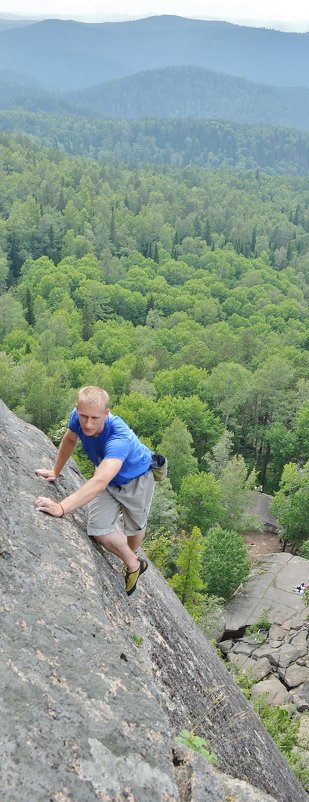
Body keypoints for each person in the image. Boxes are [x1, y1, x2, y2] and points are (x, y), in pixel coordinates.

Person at [34, 386, 155, 596]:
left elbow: (99, 481)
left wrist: (62, 507)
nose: (88, 424)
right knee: (98, 531)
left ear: (106, 414)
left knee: (134, 529)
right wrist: (55, 471)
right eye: (83, 416)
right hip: (108, 479)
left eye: (95, 418)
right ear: (77, 409)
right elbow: (70, 439)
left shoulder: (119, 438)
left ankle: (130, 554)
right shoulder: (77, 418)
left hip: (137, 481)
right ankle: (134, 564)